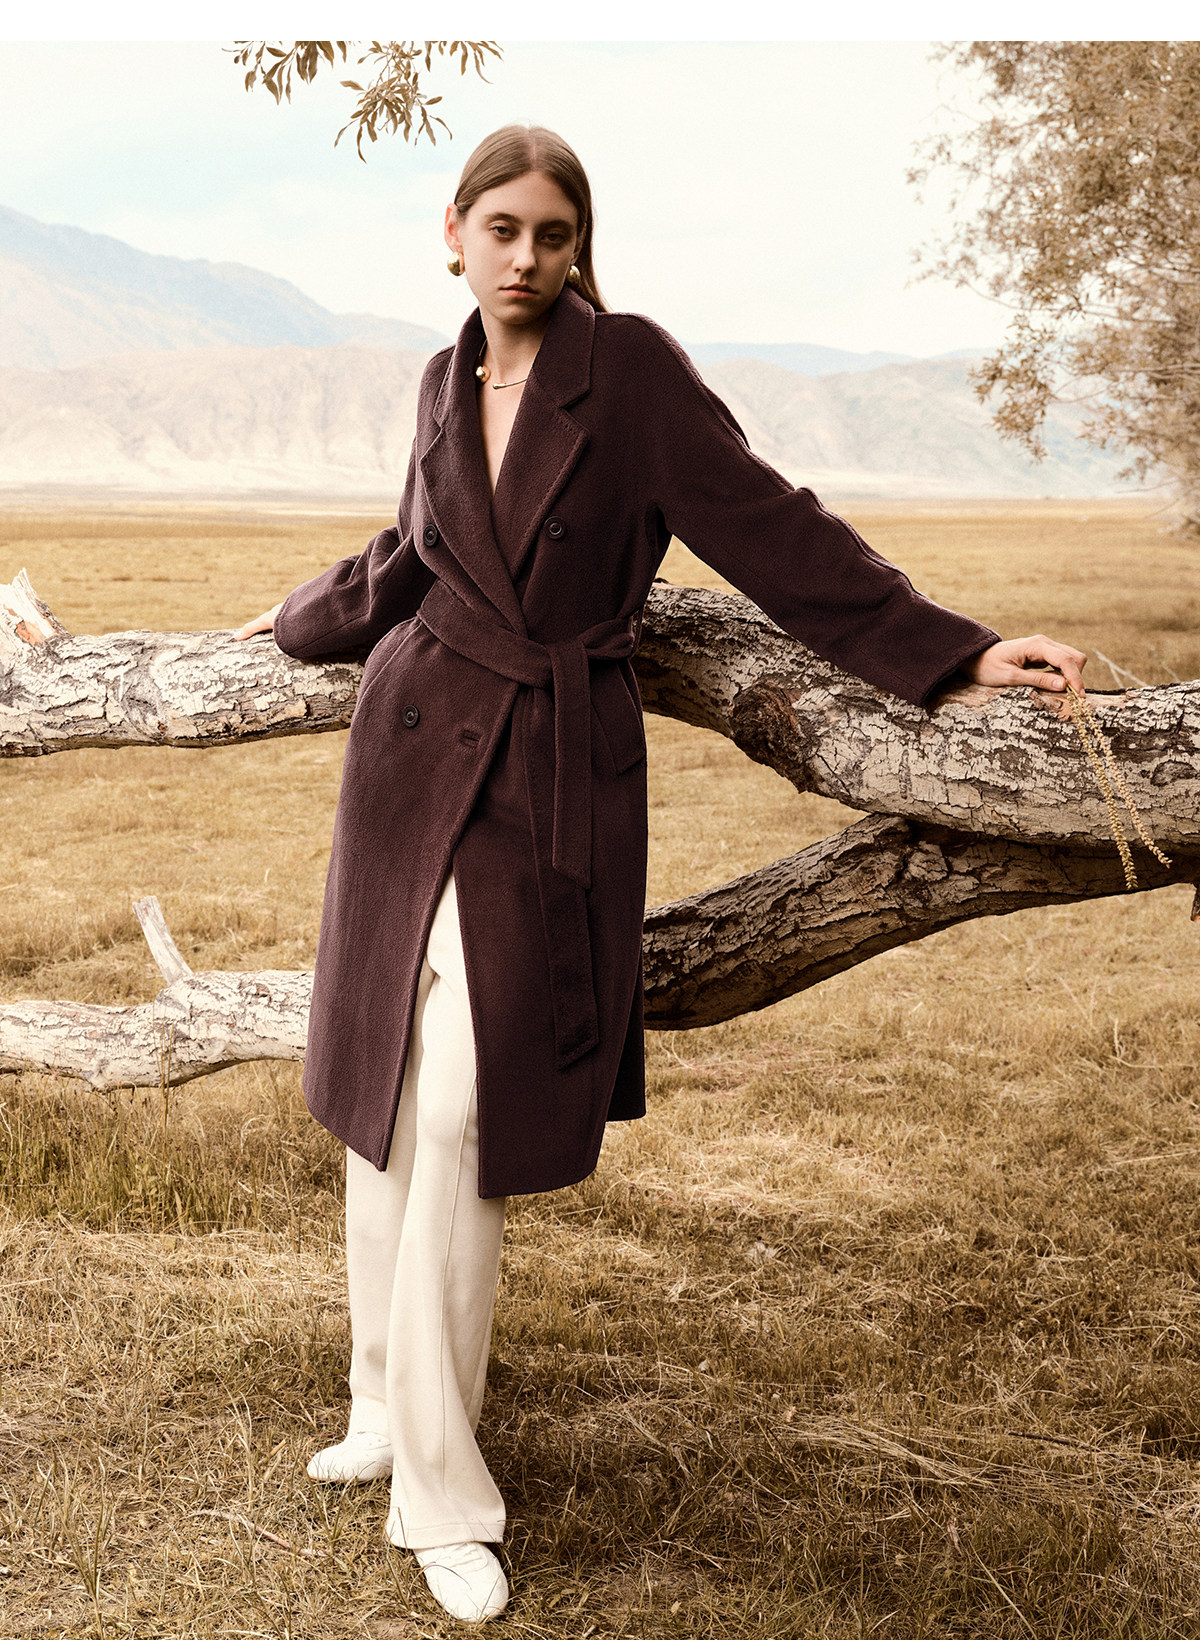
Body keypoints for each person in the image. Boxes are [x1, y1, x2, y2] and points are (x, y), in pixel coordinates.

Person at [235, 124, 1086, 1625]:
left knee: (464, 1114)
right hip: (408, 766)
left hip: (544, 777)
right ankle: (382, 1403)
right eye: (501, 228)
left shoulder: (625, 370)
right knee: (385, 1096)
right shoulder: (441, 377)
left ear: (579, 247)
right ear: (452, 234)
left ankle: (446, 1494)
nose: (524, 256)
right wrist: (297, 620)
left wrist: (951, 654)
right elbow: (409, 556)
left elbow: (772, 526)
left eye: (552, 233)